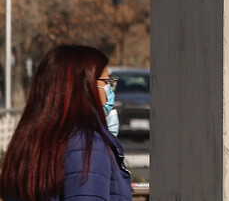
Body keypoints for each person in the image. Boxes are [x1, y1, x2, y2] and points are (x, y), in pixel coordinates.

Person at [0, 45, 131, 201]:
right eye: (106, 81)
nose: (110, 89)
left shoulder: (27, 140)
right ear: (84, 86)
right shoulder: (87, 145)